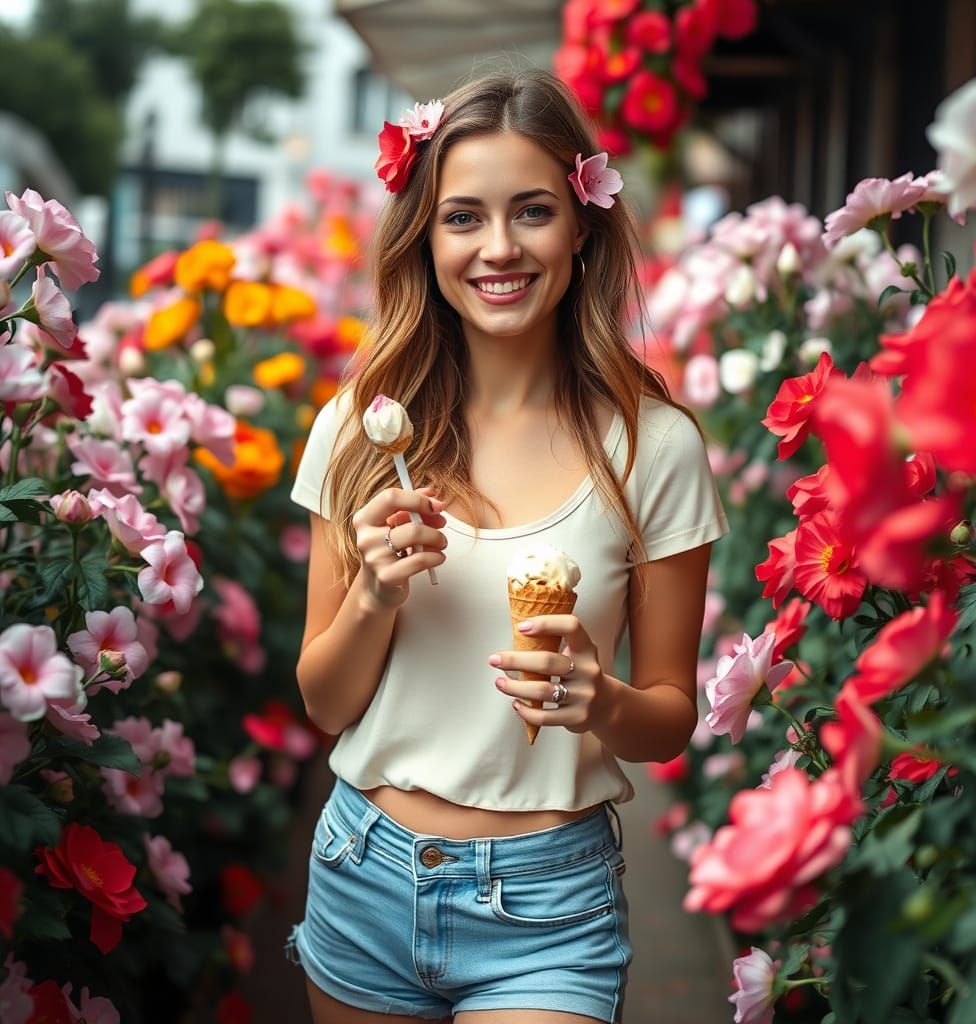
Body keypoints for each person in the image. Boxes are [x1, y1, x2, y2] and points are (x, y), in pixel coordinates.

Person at [285, 67, 729, 1024]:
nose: (498, 248)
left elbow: (665, 719)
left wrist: (598, 697)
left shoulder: (655, 447)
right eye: (463, 217)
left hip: (550, 903)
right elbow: (324, 704)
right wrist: (373, 596)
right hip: (365, 872)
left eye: (531, 211)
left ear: (581, 225)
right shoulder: (361, 429)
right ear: (425, 236)